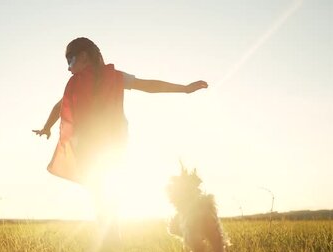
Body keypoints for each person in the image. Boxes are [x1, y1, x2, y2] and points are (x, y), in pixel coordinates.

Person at [33, 37, 208, 237]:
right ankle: (110, 236)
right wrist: (46, 127)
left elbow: (150, 86)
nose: (68, 68)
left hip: (106, 145)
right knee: (101, 191)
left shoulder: (112, 77)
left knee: (103, 190)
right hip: (101, 145)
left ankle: (109, 237)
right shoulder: (84, 82)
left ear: (84, 56)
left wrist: (184, 89)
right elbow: (59, 107)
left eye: (70, 60)